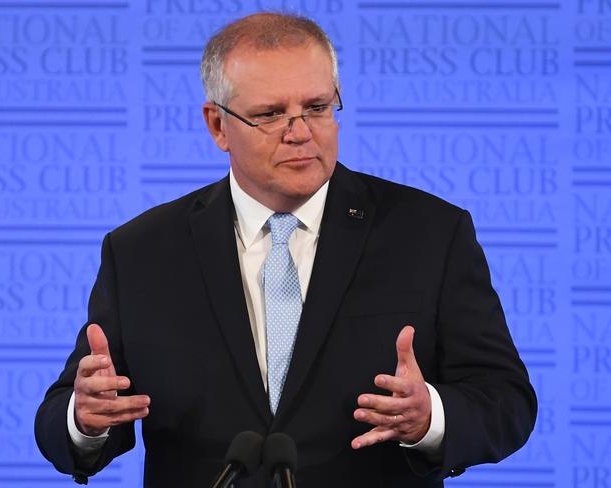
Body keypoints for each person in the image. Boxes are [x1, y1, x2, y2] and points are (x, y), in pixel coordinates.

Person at [35, 12, 537, 487]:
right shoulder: (140, 252)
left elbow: (507, 402)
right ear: (217, 125)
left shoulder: (430, 233)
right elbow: (66, 420)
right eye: (271, 114)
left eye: (317, 108)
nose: (300, 133)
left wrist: (431, 416)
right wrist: (85, 418)